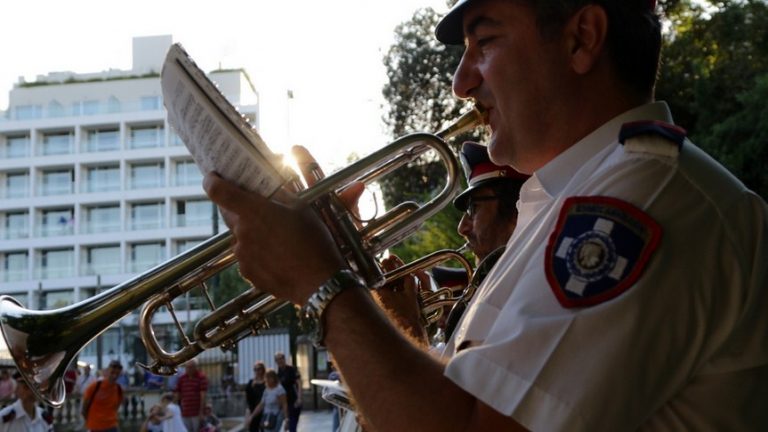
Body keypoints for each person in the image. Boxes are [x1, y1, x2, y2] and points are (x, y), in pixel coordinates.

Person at [203, 0, 768, 429]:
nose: (461, 81)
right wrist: (351, 267)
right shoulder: (569, 198)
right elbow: (457, 389)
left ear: (581, 39)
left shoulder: (634, 205)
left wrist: (323, 282)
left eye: (485, 43)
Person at [81, 360, 124, 432]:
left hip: (112, 426)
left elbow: (116, 408)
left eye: (117, 372)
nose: (115, 374)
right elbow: (84, 408)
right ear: (108, 371)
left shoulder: (119, 389)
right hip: (95, 427)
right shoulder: (95, 386)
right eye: (113, 371)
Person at [173, 359, 208, 432]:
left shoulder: (201, 377)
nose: (188, 369)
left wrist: (201, 412)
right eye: (187, 367)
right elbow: (177, 393)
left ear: (196, 367)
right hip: (185, 411)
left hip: (196, 413)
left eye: (191, 367)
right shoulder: (182, 378)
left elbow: (203, 396)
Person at [274, 352, 301, 432]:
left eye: (281, 358)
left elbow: (299, 384)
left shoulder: (291, 369)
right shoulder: (276, 373)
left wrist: (299, 398)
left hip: (293, 401)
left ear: (284, 359)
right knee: (284, 426)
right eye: (278, 359)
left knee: (292, 426)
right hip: (282, 404)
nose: (280, 361)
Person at [244, 361, 266, 432]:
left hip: (265, 411)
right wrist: (248, 413)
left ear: (263, 369)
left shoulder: (267, 382)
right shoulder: (251, 383)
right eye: (255, 369)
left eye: (259, 369)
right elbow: (248, 400)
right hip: (253, 411)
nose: (257, 371)